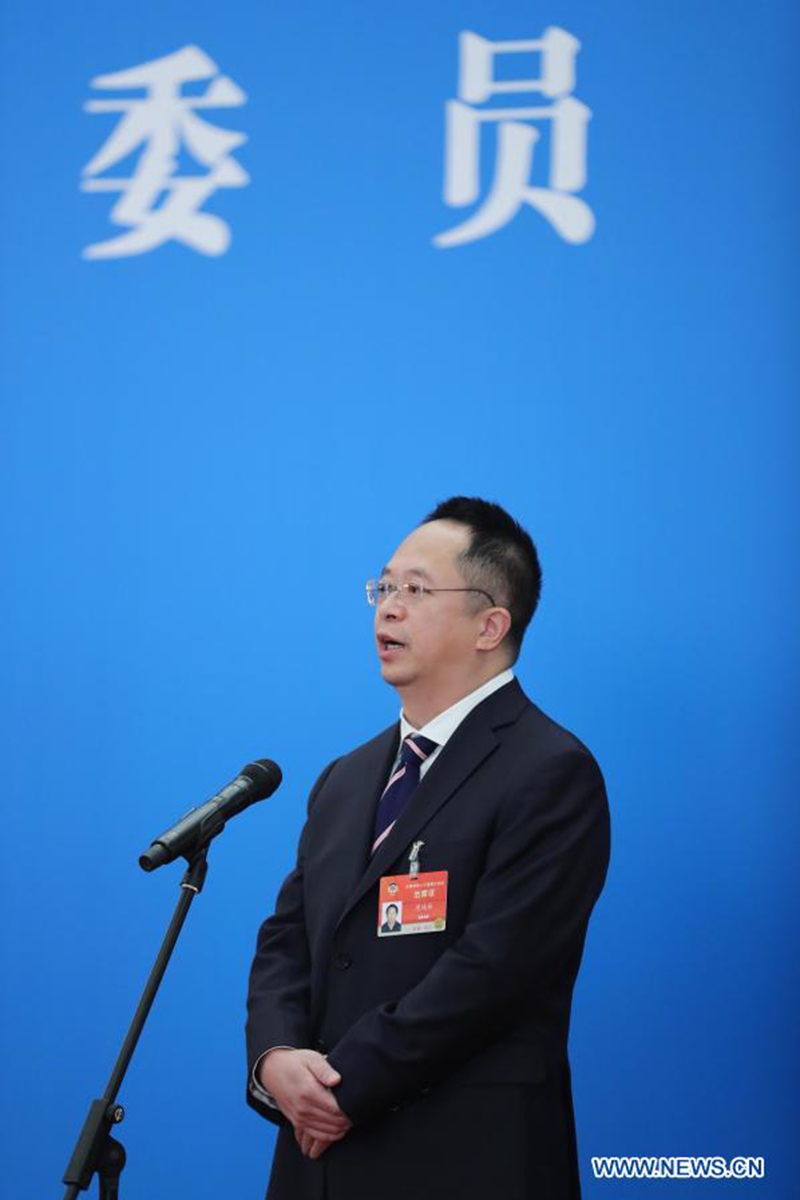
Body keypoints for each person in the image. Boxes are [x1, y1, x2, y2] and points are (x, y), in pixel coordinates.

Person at [245, 497, 610, 1200]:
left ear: (490, 624)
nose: (387, 608)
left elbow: (492, 970)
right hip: (316, 1165)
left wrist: (340, 1089)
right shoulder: (345, 778)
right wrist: (276, 1058)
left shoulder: (550, 771)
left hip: (465, 1158)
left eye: (415, 590)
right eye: (382, 588)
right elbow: (287, 940)